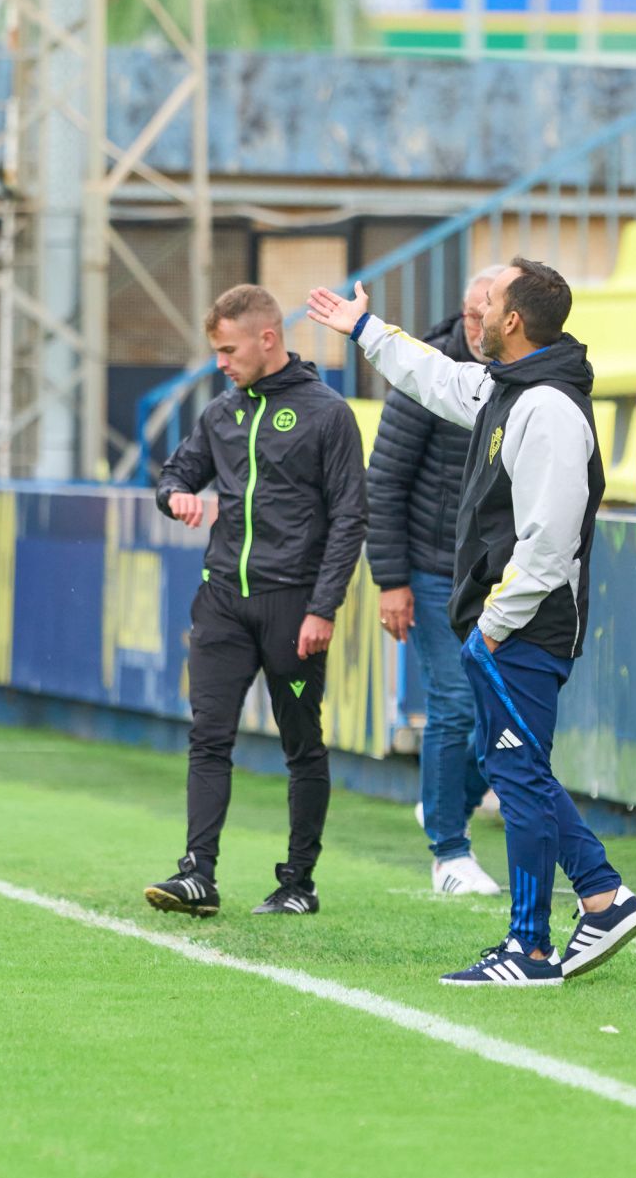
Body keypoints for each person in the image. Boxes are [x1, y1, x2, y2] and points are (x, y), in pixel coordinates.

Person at [307, 259, 636, 987]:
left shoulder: (549, 409)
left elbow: (550, 543)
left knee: (518, 772)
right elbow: (437, 379)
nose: (477, 315)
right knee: (515, 766)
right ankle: (601, 894)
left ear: (514, 320)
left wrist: (494, 625)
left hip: (527, 625)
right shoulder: (507, 388)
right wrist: (366, 329)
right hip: (506, 625)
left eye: (488, 303)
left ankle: (531, 944)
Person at [142, 285, 367, 920]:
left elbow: (350, 519)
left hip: (293, 607)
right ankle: (197, 874)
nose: (221, 363)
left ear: (268, 339)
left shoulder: (328, 415)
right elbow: (176, 475)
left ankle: (298, 881)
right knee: (208, 737)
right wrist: (175, 498)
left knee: (301, 743)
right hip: (221, 602)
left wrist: (323, 608)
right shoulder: (221, 415)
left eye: (228, 349)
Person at [366, 267, 503, 896]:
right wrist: (391, 580)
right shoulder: (430, 373)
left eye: (489, 315)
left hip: (500, 578)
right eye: (470, 314)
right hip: (428, 568)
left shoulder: (532, 379)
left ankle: (443, 797)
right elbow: (385, 480)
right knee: (452, 702)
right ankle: (449, 852)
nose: (477, 328)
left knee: (501, 708)